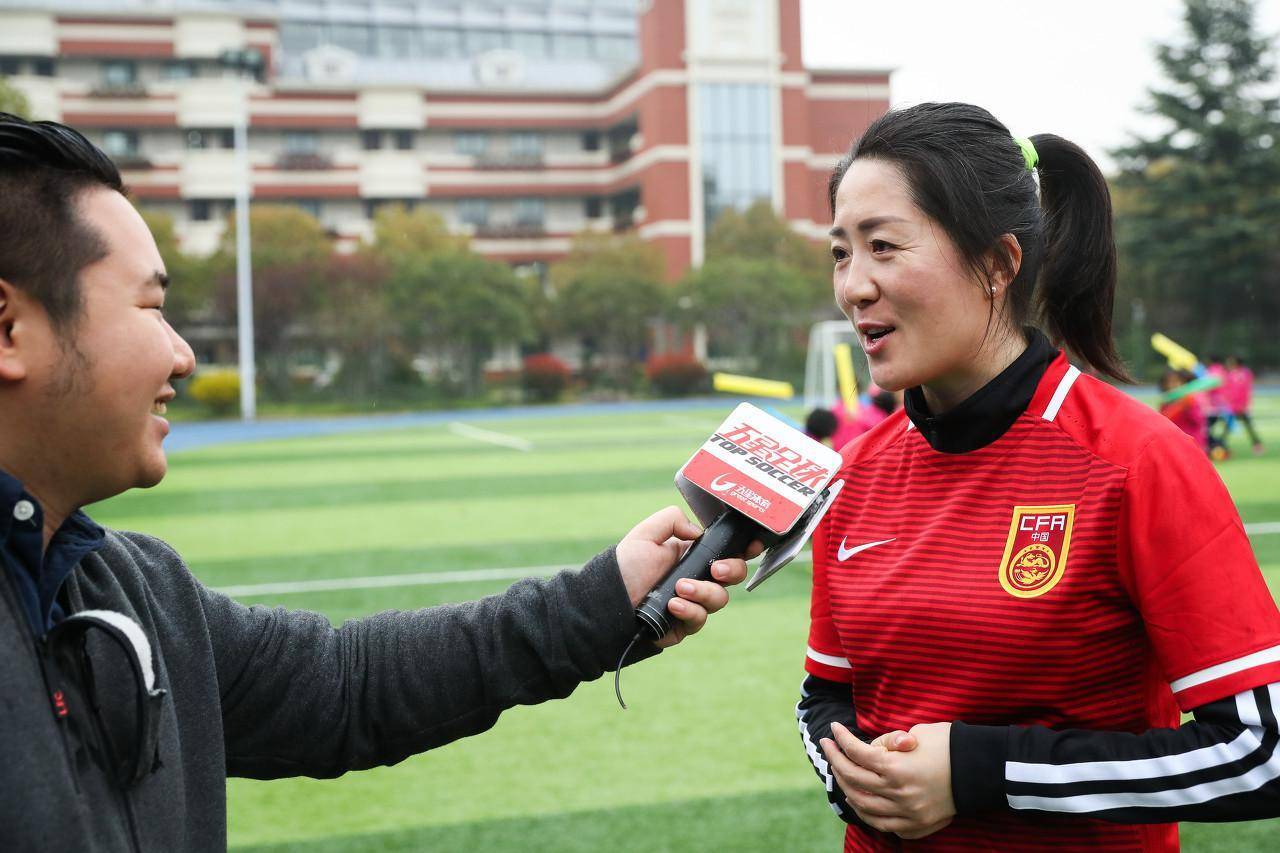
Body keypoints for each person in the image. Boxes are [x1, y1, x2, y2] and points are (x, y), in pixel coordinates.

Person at [0, 113, 755, 850]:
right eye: (153, 308)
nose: (183, 356)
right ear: (9, 329)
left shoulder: (137, 587)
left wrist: (602, 599)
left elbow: (345, 686)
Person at [796, 102, 1280, 851]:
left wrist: (983, 771)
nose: (853, 286)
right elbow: (823, 695)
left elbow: (1262, 751)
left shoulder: (1137, 463)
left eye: (883, 246)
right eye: (839, 252)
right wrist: (855, 778)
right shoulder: (852, 473)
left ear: (998, 263)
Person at [1158, 368, 1208, 453]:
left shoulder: (1191, 401)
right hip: (1173, 444)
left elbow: (1199, 421)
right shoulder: (1165, 403)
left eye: (1176, 382)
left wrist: (1188, 407)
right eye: (1169, 382)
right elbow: (1162, 423)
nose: (1172, 385)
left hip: (1192, 443)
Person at [1224, 354, 1264, 456]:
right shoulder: (1231, 374)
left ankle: (1257, 445)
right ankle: (1221, 444)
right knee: (1230, 426)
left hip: (1240, 406)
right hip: (1233, 406)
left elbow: (1244, 390)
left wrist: (1243, 404)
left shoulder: (1244, 373)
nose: (1228, 363)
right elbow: (1229, 389)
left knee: (1245, 426)